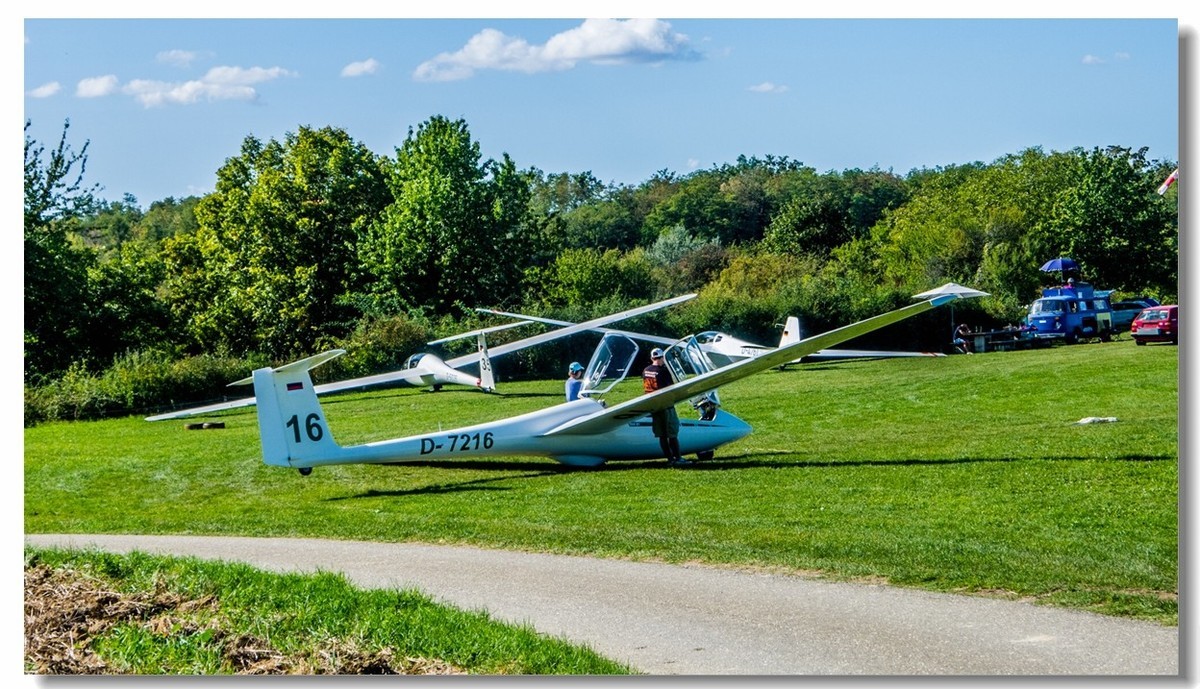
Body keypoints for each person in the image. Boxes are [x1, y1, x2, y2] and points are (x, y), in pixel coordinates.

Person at [642, 348, 689, 466]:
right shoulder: (663, 371)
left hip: (654, 406)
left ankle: (670, 459)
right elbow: (671, 388)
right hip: (666, 406)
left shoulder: (646, 370)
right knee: (672, 433)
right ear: (662, 357)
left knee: (662, 435)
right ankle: (678, 458)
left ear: (652, 358)